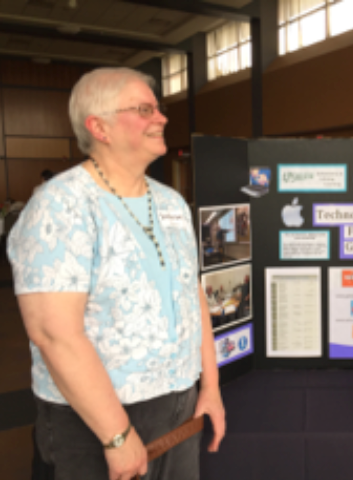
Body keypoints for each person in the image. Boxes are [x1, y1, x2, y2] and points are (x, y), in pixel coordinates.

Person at [8, 67, 226, 480]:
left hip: (180, 402)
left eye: (158, 109)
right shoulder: (61, 206)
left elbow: (191, 293)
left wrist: (210, 388)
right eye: (145, 109)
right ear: (99, 127)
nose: (161, 118)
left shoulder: (172, 203)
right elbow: (54, 333)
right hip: (96, 419)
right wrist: (116, 435)